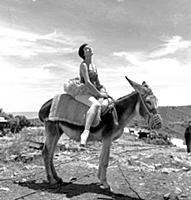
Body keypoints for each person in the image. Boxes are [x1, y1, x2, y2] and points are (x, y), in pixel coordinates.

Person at [64, 44, 109, 149]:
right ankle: (85, 133)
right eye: (86, 49)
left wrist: (103, 91)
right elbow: (88, 83)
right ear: (83, 54)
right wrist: (99, 94)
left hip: (93, 91)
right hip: (83, 92)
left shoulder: (94, 67)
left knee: (108, 103)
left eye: (89, 48)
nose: (89, 49)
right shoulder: (83, 65)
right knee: (96, 104)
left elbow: (97, 82)